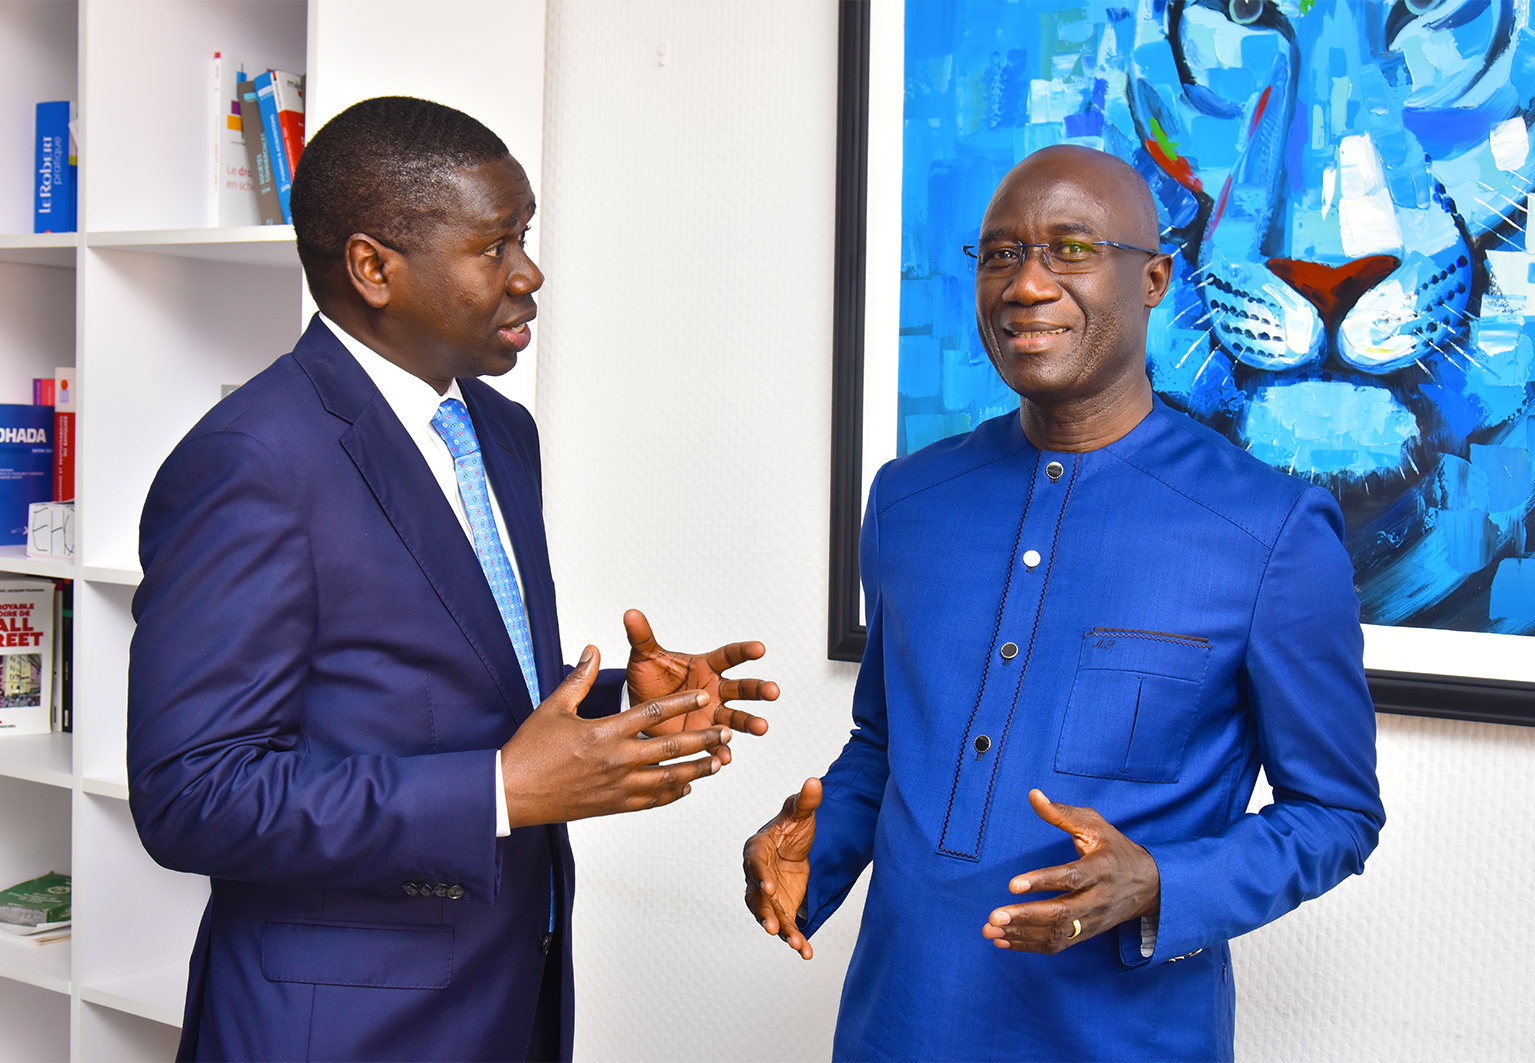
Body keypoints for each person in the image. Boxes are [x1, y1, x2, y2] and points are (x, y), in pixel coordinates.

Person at [128, 96, 776, 1063]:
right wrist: (496, 791)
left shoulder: (498, 431)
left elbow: (437, 683)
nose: (529, 272)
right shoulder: (251, 461)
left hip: (503, 997)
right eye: (493, 245)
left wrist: (617, 706)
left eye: (525, 237)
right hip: (337, 1030)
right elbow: (194, 794)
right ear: (373, 268)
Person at [744, 145, 1385, 1061]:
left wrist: (1161, 881)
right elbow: (887, 744)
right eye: (1000, 254)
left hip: (1126, 1039)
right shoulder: (907, 501)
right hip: (898, 1025)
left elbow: (1334, 813)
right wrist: (817, 845)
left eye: (1071, 248)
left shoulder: (1271, 530)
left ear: (1154, 279)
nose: (1026, 284)